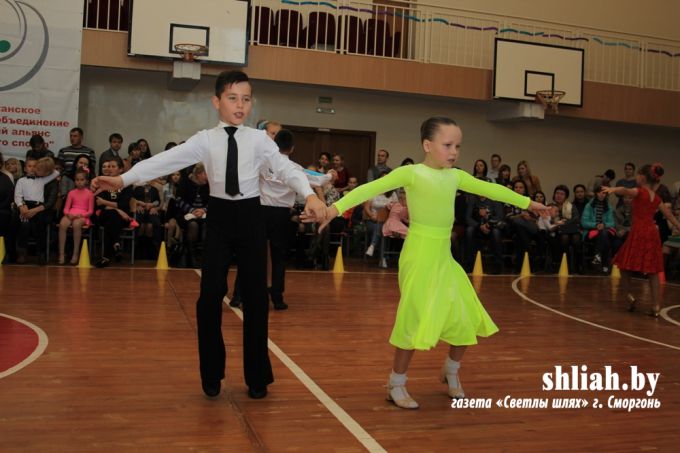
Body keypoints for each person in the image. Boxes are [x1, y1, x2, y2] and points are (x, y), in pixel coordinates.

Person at [92, 70, 326, 400]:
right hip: (219, 218)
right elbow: (165, 160)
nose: (240, 105)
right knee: (209, 298)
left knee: (257, 299)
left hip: (250, 218)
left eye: (246, 99)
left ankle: (257, 376)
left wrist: (309, 194)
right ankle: (212, 374)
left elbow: (287, 169)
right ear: (217, 101)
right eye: (233, 98)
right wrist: (123, 180)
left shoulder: (260, 141)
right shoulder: (205, 139)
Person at [306, 117, 548, 409]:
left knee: (465, 314)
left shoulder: (455, 176)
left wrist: (528, 203)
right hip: (419, 253)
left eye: (457, 145)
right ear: (427, 145)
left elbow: (491, 190)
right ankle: (396, 382)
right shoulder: (412, 173)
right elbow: (369, 189)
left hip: (444, 256)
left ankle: (451, 371)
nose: (454, 151)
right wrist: (334, 209)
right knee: (414, 316)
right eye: (447, 145)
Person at [603, 164, 680, 318]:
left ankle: (629, 297)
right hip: (652, 233)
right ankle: (656, 306)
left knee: (624, 266)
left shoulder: (640, 192)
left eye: (637, 174)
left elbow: (626, 190)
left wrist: (613, 190)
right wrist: (679, 226)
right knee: (652, 271)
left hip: (638, 232)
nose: (636, 177)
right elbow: (669, 215)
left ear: (642, 177)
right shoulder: (656, 197)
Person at [58, 169, 94, 265]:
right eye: (77, 180)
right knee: (62, 224)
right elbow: (65, 208)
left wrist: (81, 215)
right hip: (71, 213)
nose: (79, 182)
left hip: (82, 215)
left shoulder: (90, 194)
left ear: (86, 181)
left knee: (76, 224)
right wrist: (68, 214)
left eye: (82, 180)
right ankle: (61, 254)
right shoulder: (71, 193)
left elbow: (90, 211)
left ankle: (75, 254)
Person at [581, 186, 615, 273]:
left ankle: (597, 256)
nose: (602, 195)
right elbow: (584, 222)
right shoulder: (589, 206)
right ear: (596, 193)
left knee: (603, 234)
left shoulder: (609, 207)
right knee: (605, 239)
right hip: (591, 231)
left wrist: (604, 225)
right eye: (600, 192)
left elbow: (612, 223)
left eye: (604, 193)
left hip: (605, 230)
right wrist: (596, 225)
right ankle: (605, 266)